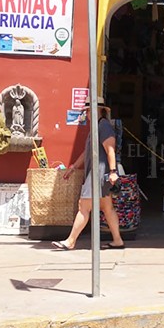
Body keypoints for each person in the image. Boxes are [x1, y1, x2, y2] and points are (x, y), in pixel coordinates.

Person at [52, 98, 125, 250]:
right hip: (100, 174)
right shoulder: (98, 126)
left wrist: (113, 172)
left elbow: (110, 149)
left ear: (97, 109)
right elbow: (88, 151)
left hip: (99, 174)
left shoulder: (103, 126)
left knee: (83, 207)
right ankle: (117, 240)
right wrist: (74, 167)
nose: (86, 113)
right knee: (107, 208)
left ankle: (70, 241)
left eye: (88, 110)